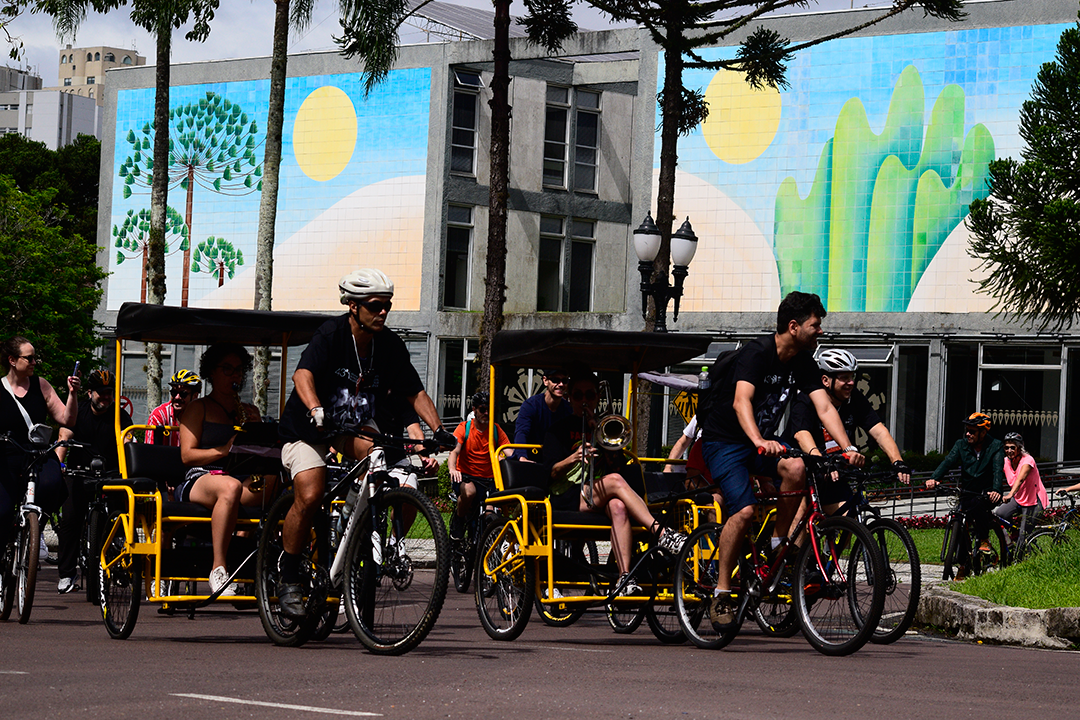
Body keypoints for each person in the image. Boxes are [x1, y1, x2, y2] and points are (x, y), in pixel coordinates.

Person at [275, 269, 455, 618]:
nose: (383, 312)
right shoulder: (331, 334)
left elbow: (415, 392)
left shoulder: (389, 345)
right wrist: (315, 408)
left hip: (350, 427)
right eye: (375, 305)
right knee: (310, 494)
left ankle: (349, 522)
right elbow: (302, 374)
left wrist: (439, 430)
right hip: (308, 429)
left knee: (376, 458)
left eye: (387, 305)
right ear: (353, 306)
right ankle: (289, 573)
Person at [699, 292, 864, 630]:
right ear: (793, 327)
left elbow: (824, 407)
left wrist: (847, 447)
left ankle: (777, 545)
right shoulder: (757, 353)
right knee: (743, 512)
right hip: (724, 442)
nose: (821, 331)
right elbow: (741, 402)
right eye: (815, 325)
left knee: (797, 467)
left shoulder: (803, 362)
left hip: (760, 444)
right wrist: (759, 440)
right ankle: (721, 593)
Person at [542, 372, 688, 596]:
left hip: (600, 493)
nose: (584, 400)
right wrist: (573, 458)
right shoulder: (558, 429)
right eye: (578, 395)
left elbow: (617, 468)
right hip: (567, 494)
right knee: (615, 482)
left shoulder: (604, 427)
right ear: (570, 398)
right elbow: (550, 472)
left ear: (597, 397)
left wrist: (601, 438)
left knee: (619, 507)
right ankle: (661, 533)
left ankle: (625, 578)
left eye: (590, 395)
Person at [179, 343, 272, 597]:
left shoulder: (249, 410)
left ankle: (263, 563)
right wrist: (222, 450)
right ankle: (218, 568)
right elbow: (187, 456)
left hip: (239, 478)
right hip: (202, 477)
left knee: (276, 479)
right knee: (229, 487)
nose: (235, 376)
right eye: (227, 369)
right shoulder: (198, 408)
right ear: (212, 372)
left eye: (239, 370)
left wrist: (257, 430)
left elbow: (261, 453)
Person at [785, 348, 911, 515]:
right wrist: (820, 461)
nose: (851, 382)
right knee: (799, 514)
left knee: (849, 516)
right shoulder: (808, 398)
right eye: (844, 378)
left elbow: (879, 431)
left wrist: (897, 461)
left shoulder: (854, 398)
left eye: (852, 377)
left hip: (834, 473)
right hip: (801, 470)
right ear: (825, 380)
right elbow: (801, 434)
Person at [0, 337, 79, 563]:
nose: (35, 362)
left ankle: (36, 529)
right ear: (12, 360)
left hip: (37, 455)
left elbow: (67, 419)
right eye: (29, 358)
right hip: (6, 455)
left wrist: (72, 393)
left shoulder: (41, 385)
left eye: (35, 358)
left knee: (53, 484)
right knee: (2, 511)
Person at [55, 369, 134, 593]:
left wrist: (130, 461)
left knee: (120, 516)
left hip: (110, 474)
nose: (106, 397)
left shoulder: (119, 416)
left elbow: (128, 441)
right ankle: (67, 575)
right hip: (79, 472)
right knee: (70, 520)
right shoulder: (78, 412)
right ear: (90, 393)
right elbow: (63, 437)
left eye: (109, 392)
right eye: (101, 392)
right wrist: (58, 466)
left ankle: (119, 565)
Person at [925, 412, 1005, 578]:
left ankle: (984, 539)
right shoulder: (961, 445)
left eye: (972, 431)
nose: (968, 434)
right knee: (960, 521)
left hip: (987, 493)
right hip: (967, 491)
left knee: (978, 505)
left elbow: (998, 470)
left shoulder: (995, 445)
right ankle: (963, 564)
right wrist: (934, 478)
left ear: (983, 432)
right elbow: (948, 462)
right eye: (967, 430)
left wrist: (996, 490)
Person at [448, 391, 511, 540]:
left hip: (489, 480)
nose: (486, 413)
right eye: (482, 409)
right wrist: (452, 469)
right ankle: (459, 520)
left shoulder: (495, 430)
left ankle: (487, 543)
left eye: (489, 410)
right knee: (469, 492)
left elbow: (510, 451)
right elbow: (454, 451)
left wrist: (522, 460)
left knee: (492, 510)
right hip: (466, 476)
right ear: (474, 409)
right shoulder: (464, 428)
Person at [994, 432, 1047, 545]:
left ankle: (1021, 552)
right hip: (1019, 498)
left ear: (1019, 447)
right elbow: (995, 475)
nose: (1009, 450)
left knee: (1023, 536)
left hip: (1034, 501)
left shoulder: (1028, 460)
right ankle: (1015, 533)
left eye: (1012, 447)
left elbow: (1020, 479)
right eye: (1006, 448)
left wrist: (1010, 494)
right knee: (1000, 514)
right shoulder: (1006, 461)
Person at [513, 368, 571, 460]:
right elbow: (521, 432)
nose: (561, 384)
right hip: (531, 458)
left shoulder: (569, 409)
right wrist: (522, 457)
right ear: (545, 381)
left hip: (555, 460)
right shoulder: (531, 405)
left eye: (564, 381)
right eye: (555, 380)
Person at [146, 369, 202, 446]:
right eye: (174, 393)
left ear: (195, 396)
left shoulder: (201, 417)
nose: (177, 397)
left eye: (183, 394)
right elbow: (150, 449)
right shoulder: (159, 415)